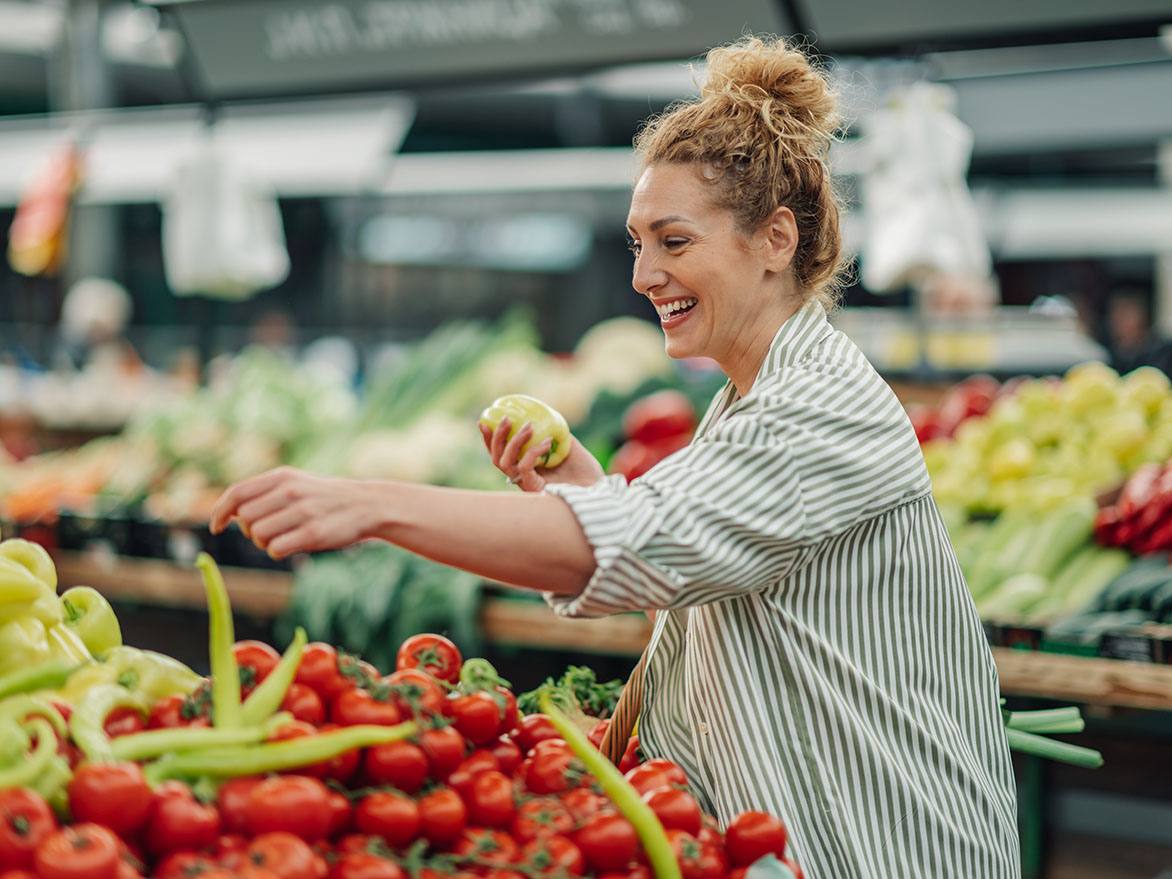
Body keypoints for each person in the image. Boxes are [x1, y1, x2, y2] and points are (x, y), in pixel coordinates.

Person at [211, 36, 1020, 878]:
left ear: (776, 238)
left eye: (673, 242)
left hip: (893, 846)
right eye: (638, 243)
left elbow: (636, 548)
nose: (643, 275)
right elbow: (693, 562)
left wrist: (372, 504)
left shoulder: (819, 409)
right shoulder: (754, 396)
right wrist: (585, 489)